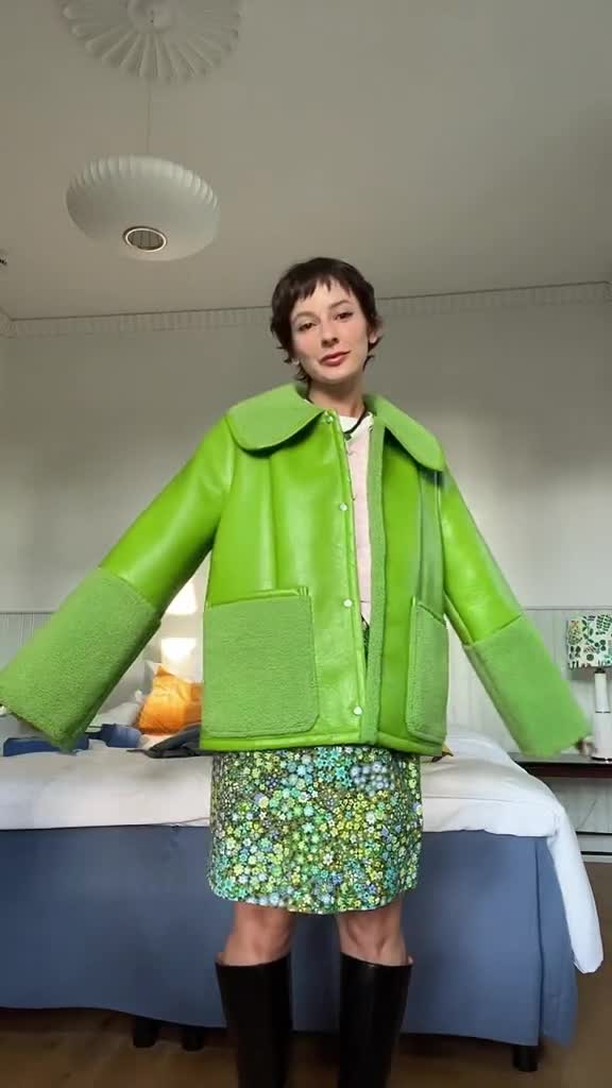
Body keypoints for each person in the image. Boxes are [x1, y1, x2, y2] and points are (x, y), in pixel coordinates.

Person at [0, 256, 590, 1087]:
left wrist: (549, 717)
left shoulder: (417, 459)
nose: (327, 334)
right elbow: (148, 556)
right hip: (271, 721)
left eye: (342, 314)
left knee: (376, 926)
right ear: (292, 346)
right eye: (306, 324)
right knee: (261, 921)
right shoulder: (242, 438)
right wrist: (49, 689)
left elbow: (480, 592)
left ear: (372, 329)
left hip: (379, 727)